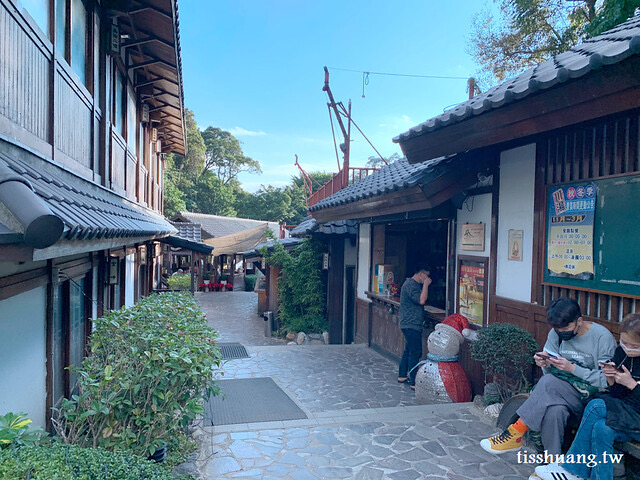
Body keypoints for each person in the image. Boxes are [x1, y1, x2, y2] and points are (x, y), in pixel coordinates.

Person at [480, 297, 617, 455]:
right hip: (559, 391)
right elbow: (550, 372)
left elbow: (607, 381)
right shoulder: (556, 332)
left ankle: (515, 432)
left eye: (566, 328)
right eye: (558, 329)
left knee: (549, 382)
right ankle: (551, 465)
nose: (561, 332)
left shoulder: (601, 338)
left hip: (591, 399)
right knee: (555, 411)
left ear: (579, 321)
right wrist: (545, 364)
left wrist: (573, 368)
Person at [534, 313, 640, 480]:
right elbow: (617, 396)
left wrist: (632, 385)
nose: (626, 347)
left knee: (597, 405)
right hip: (624, 417)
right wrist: (611, 378)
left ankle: (573, 469)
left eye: (632, 345)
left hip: (636, 420)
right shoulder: (622, 354)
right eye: (623, 342)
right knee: (601, 428)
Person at [398, 265, 432, 390]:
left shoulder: (410, 284)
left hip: (408, 323)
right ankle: (413, 381)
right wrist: (426, 285)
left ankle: (402, 375)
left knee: (408, 350)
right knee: (415, 352)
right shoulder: (411, 285)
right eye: (427, 276)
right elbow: (422, 300)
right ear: (421, 273)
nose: (428, 279)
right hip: (411, 324)